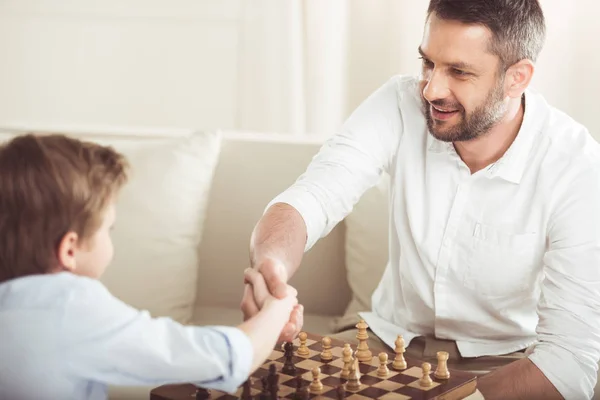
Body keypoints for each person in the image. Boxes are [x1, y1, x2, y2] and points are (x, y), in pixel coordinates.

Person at [241, 0, 600, 399]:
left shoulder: (577, 167)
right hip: (382, 341)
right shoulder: (399, 102)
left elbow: (569, 361)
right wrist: (270, 267)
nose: (431, 89)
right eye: (428, 63)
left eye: (459, 72)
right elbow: (313, 196)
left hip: (503, 364)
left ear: (517, 78)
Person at [0, 134, 298, 400]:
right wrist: (276, 309)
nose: (111, 238)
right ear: (69, 250)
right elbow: (222, 358)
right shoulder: (69, 307)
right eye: (109, 229)